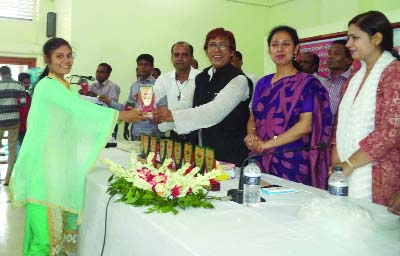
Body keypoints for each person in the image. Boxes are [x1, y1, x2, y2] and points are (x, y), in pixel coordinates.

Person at [10, 37, 144, 255]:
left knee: (61, 237)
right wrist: (122, 115)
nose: (66, 60)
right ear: (47, 59)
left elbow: (77, 121)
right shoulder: (47, 86)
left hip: (61, 167)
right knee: (44, 240)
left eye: (69, 55)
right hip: (43, 170)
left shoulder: (66, 87)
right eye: (59, 56)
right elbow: (81, 111)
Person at [244, 26, 331, 189]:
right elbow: (252, 118)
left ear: (296, 48)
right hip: (260, 158)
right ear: (269, 49)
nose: (280, 49)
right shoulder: (263, 83)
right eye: (275, 44)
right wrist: (252, 136)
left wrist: (267, 144)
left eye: (286, 44)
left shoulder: (307, 83)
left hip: (291, 160)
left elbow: (305, 126)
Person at [153, 28, 252, 165]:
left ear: (231, 52)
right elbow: (189, 104)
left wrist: (172, 116)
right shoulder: (202, 77)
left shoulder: (239, 80)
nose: (217, 50)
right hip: (201, 152)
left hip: (229, 155)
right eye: (212, 45)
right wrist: (162, 118)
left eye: (223, 45)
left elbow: (213, 112)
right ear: (206, 50)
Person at [331, 11, 400, 207]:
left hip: (379, 175)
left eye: (355, 38)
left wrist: (350, 164)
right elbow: (341, 123)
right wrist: (337, 162)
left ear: (377, 38)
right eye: (348, 38)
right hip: (345, 170)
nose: (348, 44)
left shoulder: (394, 72)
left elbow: (390, 131)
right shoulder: (354, 77)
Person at [153, 41, 200, 142]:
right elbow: (154, 101)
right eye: (176, 55)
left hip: (198, 137)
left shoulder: (202, 78)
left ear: (191, 57)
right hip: (174, 137)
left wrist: (169, 113)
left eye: (185, 55)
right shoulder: (164, 79)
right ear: (171, 58)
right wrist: (144, 100)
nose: (180, 58)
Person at [124, 54, 160, 140]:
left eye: (146, 65)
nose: (143, 67)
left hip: (152, 132)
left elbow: (161, 110)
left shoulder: (158, 85)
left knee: (152, 154)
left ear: (152, 67)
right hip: (135, 131)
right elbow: (129, 106)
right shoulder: (134, 85)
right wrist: (126, 125)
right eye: (140, 64)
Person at [0, 66, 26, 186]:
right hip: (14, 121)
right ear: (10, 73)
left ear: (1, 74)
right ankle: (7, 179)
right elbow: (23, 104)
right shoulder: (18, 85)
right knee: (12, 150)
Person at [324, 40, 353, 118]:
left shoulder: (354, 82)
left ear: (349, 60)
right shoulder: (323, 82)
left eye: (336, 53)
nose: (330, 57)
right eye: (329, 53)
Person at [17, 72, 32, 149]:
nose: (28, 85)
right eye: (26, 83)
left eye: (29, 83)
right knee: (22, 146)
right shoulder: (18, 95)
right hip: (20, 126)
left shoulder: (28, 95)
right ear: (20, 83)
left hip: (28, 125)